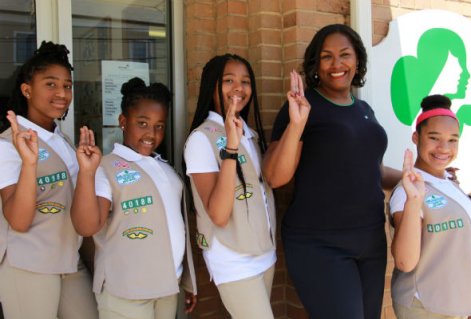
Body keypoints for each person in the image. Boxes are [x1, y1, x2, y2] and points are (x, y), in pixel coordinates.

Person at [262, 24, 402, 319]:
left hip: (371, 241)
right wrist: (297, 124)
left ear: (358, 61)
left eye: (345, 55)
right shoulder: (304, 106)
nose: (337, 64)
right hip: (320, 244)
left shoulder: (364, 109)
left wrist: (420, 178)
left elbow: (371, 171)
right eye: (326, 56)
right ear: (315, 64)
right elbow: (275, 177)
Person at [70, 77, 197, 319]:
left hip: (168, 287)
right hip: (125, 291)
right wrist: (87, 172)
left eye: (159, 126)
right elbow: (86, 226)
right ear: (123, 121)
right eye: (142, 123)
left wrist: (186, 281)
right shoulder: (106, 167)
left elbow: (175, 226)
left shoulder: (165, 169)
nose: (151, 133)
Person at [0, 41, 98, 319]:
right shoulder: (7, 145)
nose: (62, 93)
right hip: (28, 264)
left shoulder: (62, 140)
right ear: (27, 89)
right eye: (51, 84)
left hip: (69, 261)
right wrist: (29, 164)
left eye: (67, 85)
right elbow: (18, 221)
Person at [184, 54, 276, 319]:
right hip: (233, 258)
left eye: (245, 82)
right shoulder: (202, 139)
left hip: (264, 253)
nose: (239, 88)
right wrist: (231, 148)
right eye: (228, 81)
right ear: (211, 86)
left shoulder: (250, 134)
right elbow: (219, 215)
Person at [390, 94, 471, 319]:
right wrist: (414, 201)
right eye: (434, 137)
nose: (443, 148)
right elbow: (404, 261)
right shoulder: (407, 191)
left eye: (452, 139)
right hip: (425, 306)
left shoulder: (452, 184)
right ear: (416, 137)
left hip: (458, 302)